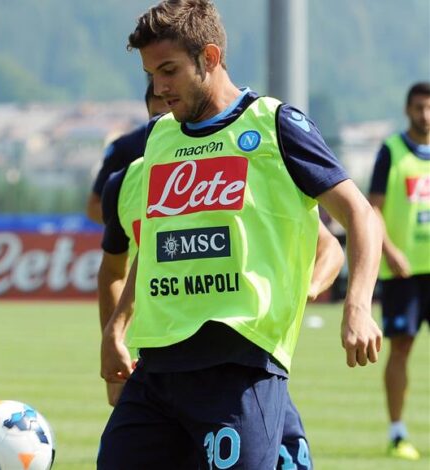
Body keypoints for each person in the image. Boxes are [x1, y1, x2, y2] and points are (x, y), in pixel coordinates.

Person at [98, 1, 383, 468]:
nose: (159, 87)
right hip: (157, 371)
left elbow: (361, 216)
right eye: (152, 74)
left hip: (240, 367)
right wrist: (117, 327)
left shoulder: (274, 126)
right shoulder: (160, 139)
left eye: (168, 70)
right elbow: (156, 245)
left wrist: (357, 306)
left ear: (209, 57)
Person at [99, 156, 344, 470]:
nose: (167, 109)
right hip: (160, 365)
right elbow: (125, 267)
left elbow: (329, 247)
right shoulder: (124, 183)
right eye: (157, 104)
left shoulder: (236, 161)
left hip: (238, 366)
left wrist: (307, 289)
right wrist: (114, 333)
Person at [368, 81, 430, 461]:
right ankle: (397, 433)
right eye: (419, 107)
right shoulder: (391, 151)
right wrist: (389, 250)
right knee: (401, 349)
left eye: (429, 108)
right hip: (403, 275)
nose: (425, 115)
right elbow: (372, 207)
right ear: (408, 109)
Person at [87, 82, 170, 223]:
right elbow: (94, 208)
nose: (164, 124)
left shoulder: (203, 143)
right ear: (148, 112)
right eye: (157, 117)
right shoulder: (124, 147)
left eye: (171, 117)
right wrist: (135, 217)